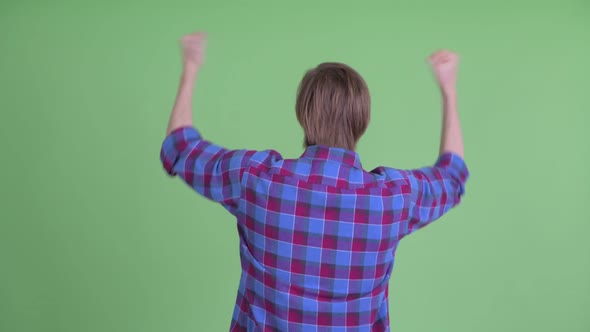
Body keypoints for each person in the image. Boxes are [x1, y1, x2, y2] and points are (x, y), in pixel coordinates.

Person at [160, 32, 469, 332]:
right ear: (362, 121)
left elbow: (179, 148)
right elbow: (453, 177)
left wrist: (190, 66)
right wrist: (449, 89)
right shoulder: (393, 199)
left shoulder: (254, 179)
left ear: (302, 115)